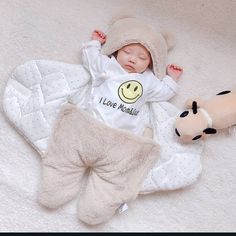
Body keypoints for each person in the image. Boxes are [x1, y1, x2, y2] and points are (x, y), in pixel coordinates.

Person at [81, 29, 183, 136]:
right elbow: (91, 60)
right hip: (94, 119)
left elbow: (163, 92)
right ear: (117, 51)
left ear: (150, 63)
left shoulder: (148, 80)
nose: (132, 59)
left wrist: (171, 79)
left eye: (142, 58)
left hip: (125, 133)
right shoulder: (109, 65)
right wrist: (95, 43)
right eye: (127, 52)